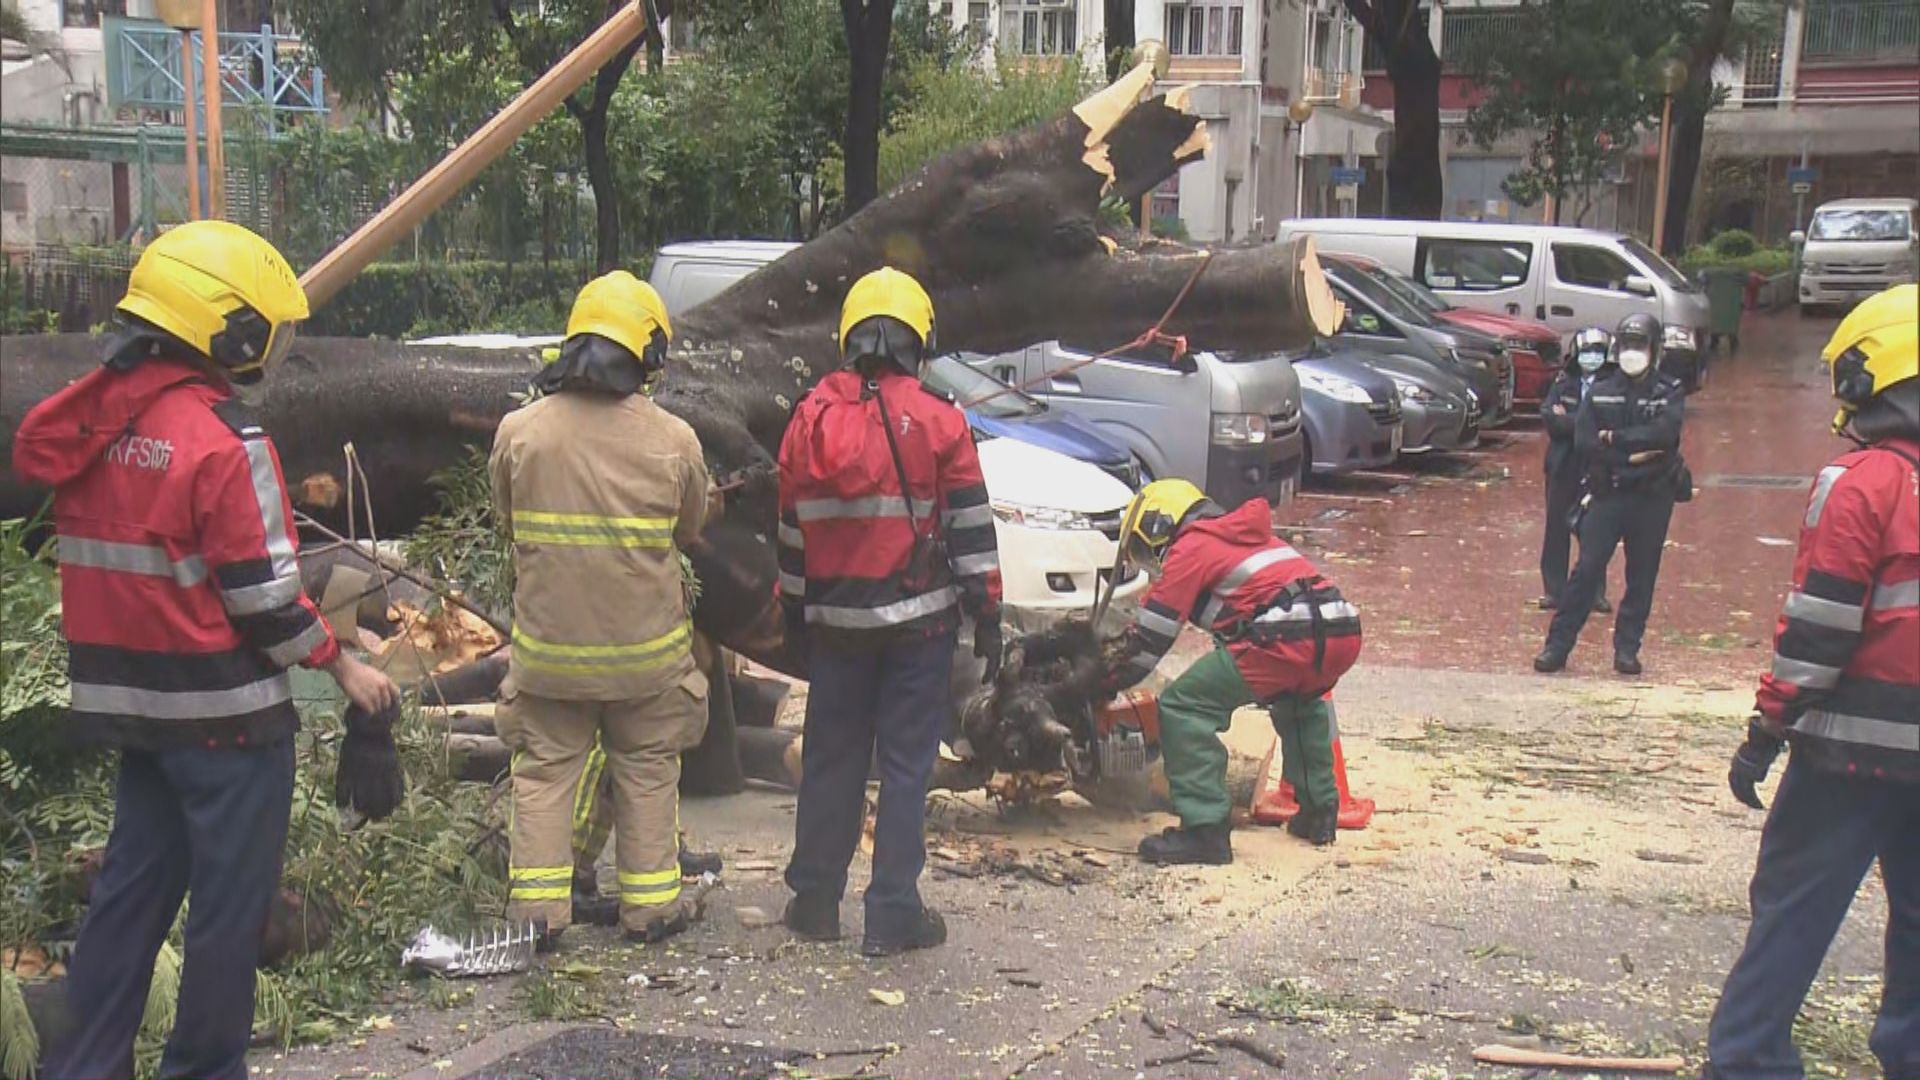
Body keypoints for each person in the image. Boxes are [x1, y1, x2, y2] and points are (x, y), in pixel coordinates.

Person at [13, 220, 398, 1080]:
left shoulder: (97, 424)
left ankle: (82, 1067)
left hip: (135, 714)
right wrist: (343, 663)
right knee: (228, 918)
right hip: (229, 725)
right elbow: (265, 599)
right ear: (232, 329)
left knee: (127, 903)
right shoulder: (227, 440)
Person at [1706, 284, 1918, 1080]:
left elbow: (1819, 629)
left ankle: (1750, 1061)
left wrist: (1766, 731)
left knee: (1792, 911)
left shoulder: (1861, 481)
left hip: (1848, 754)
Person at [776, 267, 1002, 956]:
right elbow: (969, 528)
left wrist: (794, 610)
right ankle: (892, 912)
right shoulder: (938, 419)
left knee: (830, 761)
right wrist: (987, 611)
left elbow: (792, 530)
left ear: (849, 336)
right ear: (919, 337)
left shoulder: (808, 417)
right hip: (918, 627)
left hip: (835, 626)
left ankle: (814, 900)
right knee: (905, 767)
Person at [489, 270, 711, 946]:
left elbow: (506, 519)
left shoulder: (519, 431)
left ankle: (538, 918)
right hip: (646, 660)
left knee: (545, 774)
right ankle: (650, 911)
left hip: (549, 657)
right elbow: (691, 528)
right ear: (646, 356)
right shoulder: (674, 439)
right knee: (647, 771)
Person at [1102, 479, 1363, 860]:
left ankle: (1204, 829)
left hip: (1286, 634)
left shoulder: (1191, 545)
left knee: (1183, 705)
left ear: (1158, 524)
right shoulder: (1246, 538)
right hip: (1341, 628)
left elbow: (1149, 638)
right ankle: (1319, 812)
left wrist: (1102, 681)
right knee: (1299, 704)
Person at [1534, 313, 1688, 676]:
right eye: (1628, 345)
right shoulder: (1603, 390)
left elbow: (1666, 435)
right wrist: (1631, 446)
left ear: (1656, 350)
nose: (1634, 353)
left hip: (1653, 495)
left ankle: (1627, 649)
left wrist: (1615, 438)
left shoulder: (1668, 390)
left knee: (1642, 575)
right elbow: (1586, 441)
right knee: (1587, 570)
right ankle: (1557, 646)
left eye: (1641, 346)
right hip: (1609, 492)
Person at [1538, 327, 1613, 614]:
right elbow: (1550, 419)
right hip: (1562, 465)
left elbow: (1610, 424)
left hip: (1596, 465)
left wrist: (1572, 421)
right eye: (1587, 352)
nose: (1591, 358)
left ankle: (1595, 593)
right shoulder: (1563, 382)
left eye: (1597, 353)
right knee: (1556, 528)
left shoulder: (1612, 386)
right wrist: (1583, 424)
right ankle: (1554, 591)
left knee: (1594, 530)